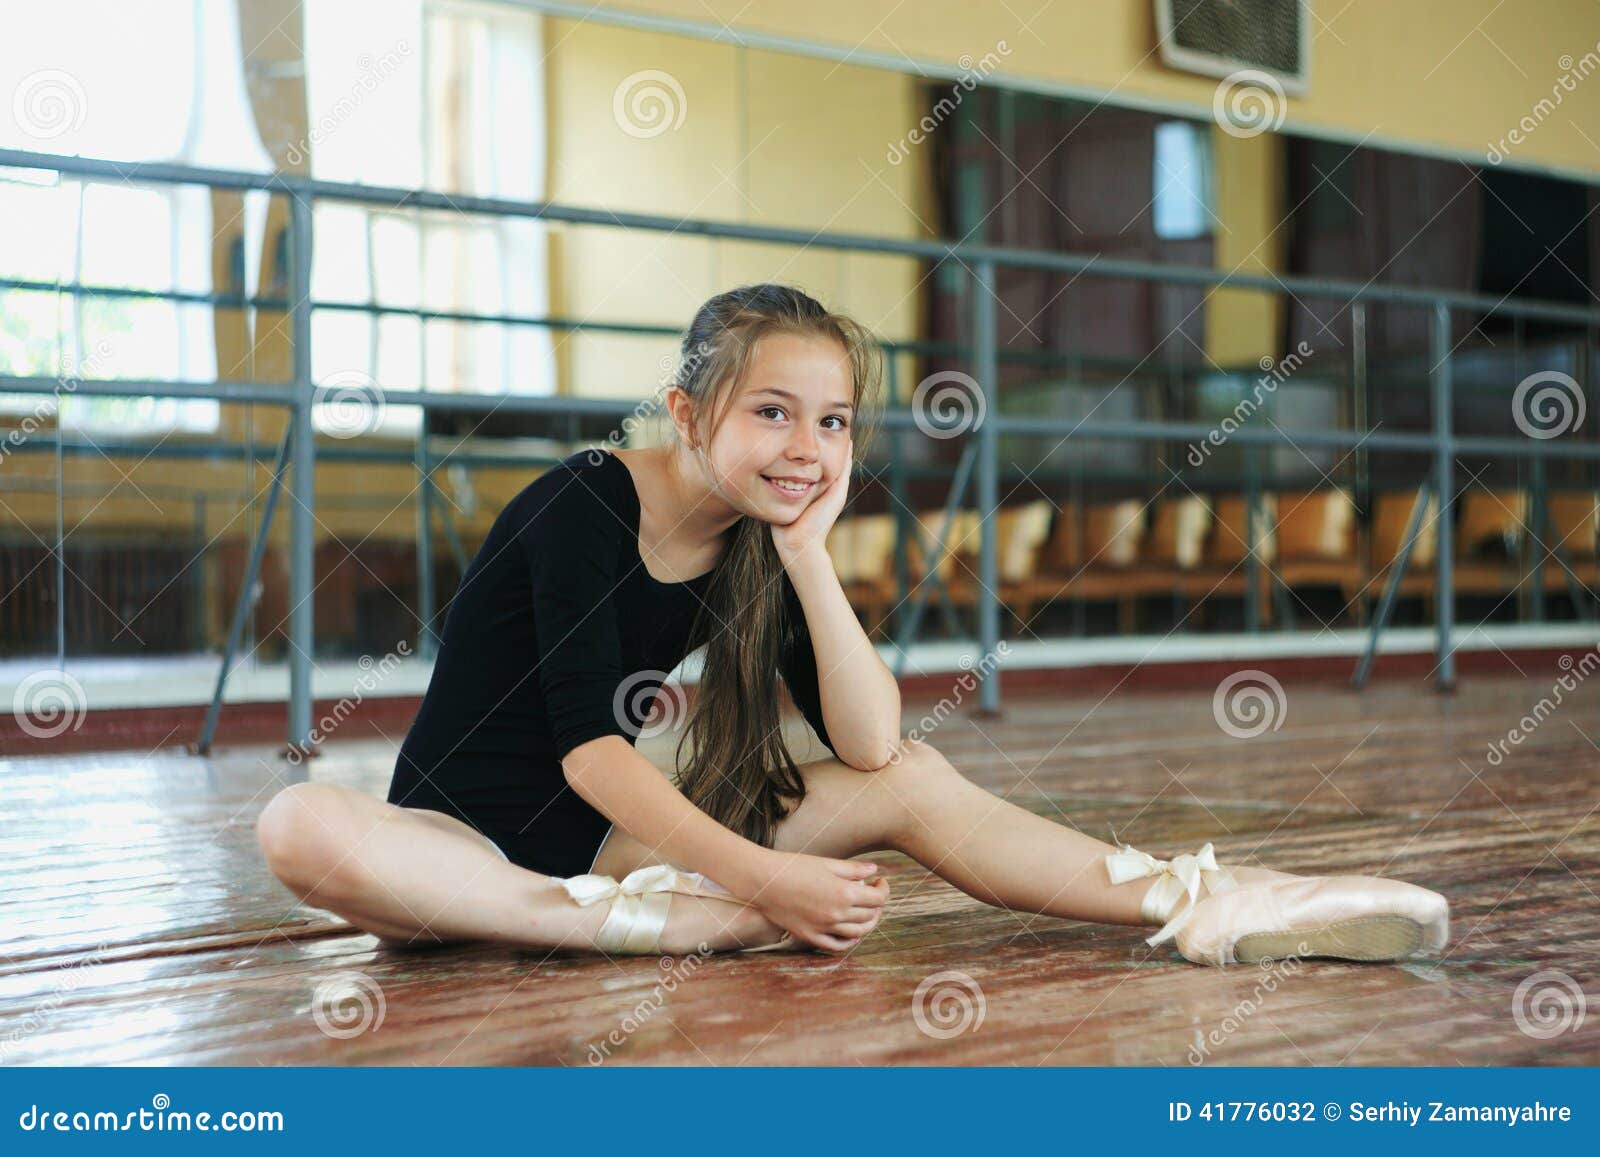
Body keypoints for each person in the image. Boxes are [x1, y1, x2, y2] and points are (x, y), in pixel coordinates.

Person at [256, 283, 1449, 966]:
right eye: (773, 411)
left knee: (920, 774)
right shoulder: (583, 500)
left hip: (613, 860)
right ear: (686, 409)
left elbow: (874, 749)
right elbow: (587, 750)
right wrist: (768, 880)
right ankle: (675, 926)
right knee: (301, 819)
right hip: (457, 853)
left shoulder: (754, 540)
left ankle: (1212, 899)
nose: (806, 448)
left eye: (832, 424)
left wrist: (808, 558)